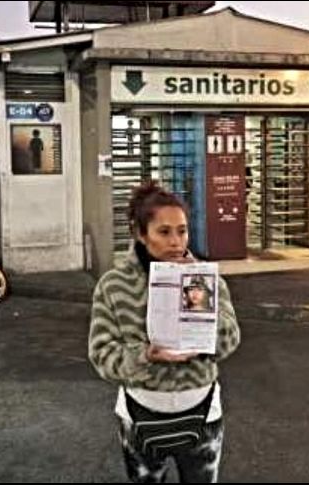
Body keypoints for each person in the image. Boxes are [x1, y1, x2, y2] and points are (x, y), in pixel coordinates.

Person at [88, 181, 241, 483]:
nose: (175, 242)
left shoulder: (207, 279)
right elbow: (102, 355)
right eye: (164, 231)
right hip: (140, 415)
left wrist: (203, 308)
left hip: (202, 413)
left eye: (182, 231)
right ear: (140, 233)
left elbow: (230, 339)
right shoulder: (113, 286)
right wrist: (144, 355)